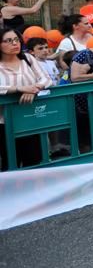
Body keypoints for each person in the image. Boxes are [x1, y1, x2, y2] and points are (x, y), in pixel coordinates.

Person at [0, 28, 54, 170]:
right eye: (8, 41)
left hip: (31, 117)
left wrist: (34, 89)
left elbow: (46, 79)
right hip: (4, 122)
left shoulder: (27, 58)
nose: (14, 43)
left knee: (34, 159)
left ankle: (34, 190)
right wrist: (17, 89)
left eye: (16, 39)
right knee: (9, 161)